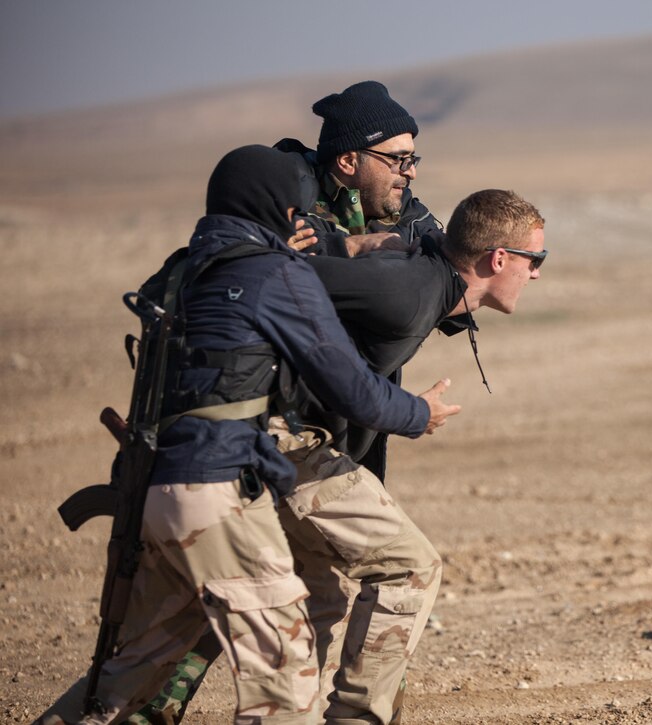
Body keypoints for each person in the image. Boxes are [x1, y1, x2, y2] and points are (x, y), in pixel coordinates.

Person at [36, 145, 460, 725]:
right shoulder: (274, 273)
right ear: (285, 211)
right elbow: (352, 388)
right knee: (285, 680)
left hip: (153, 484)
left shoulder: (185, 268)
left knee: (127, 675)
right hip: (215, 490)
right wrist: (418, 413)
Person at [139, 189, 547, 725]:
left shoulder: (425, 284)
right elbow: (283, 277)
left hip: (271, 445)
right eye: (534, 260)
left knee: (310, 596)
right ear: (498, 259)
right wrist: (412, 411)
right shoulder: (407, 290)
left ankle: (134, 706)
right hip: (283, 442)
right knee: (411, 566)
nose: (537, 274)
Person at [275, 80, 442, 258]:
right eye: (397, 159)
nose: (411, 172)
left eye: (411, 160)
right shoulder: (289, 201)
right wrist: (349, 246)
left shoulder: (411, 215)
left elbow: (451, 273)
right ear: (348, 162)